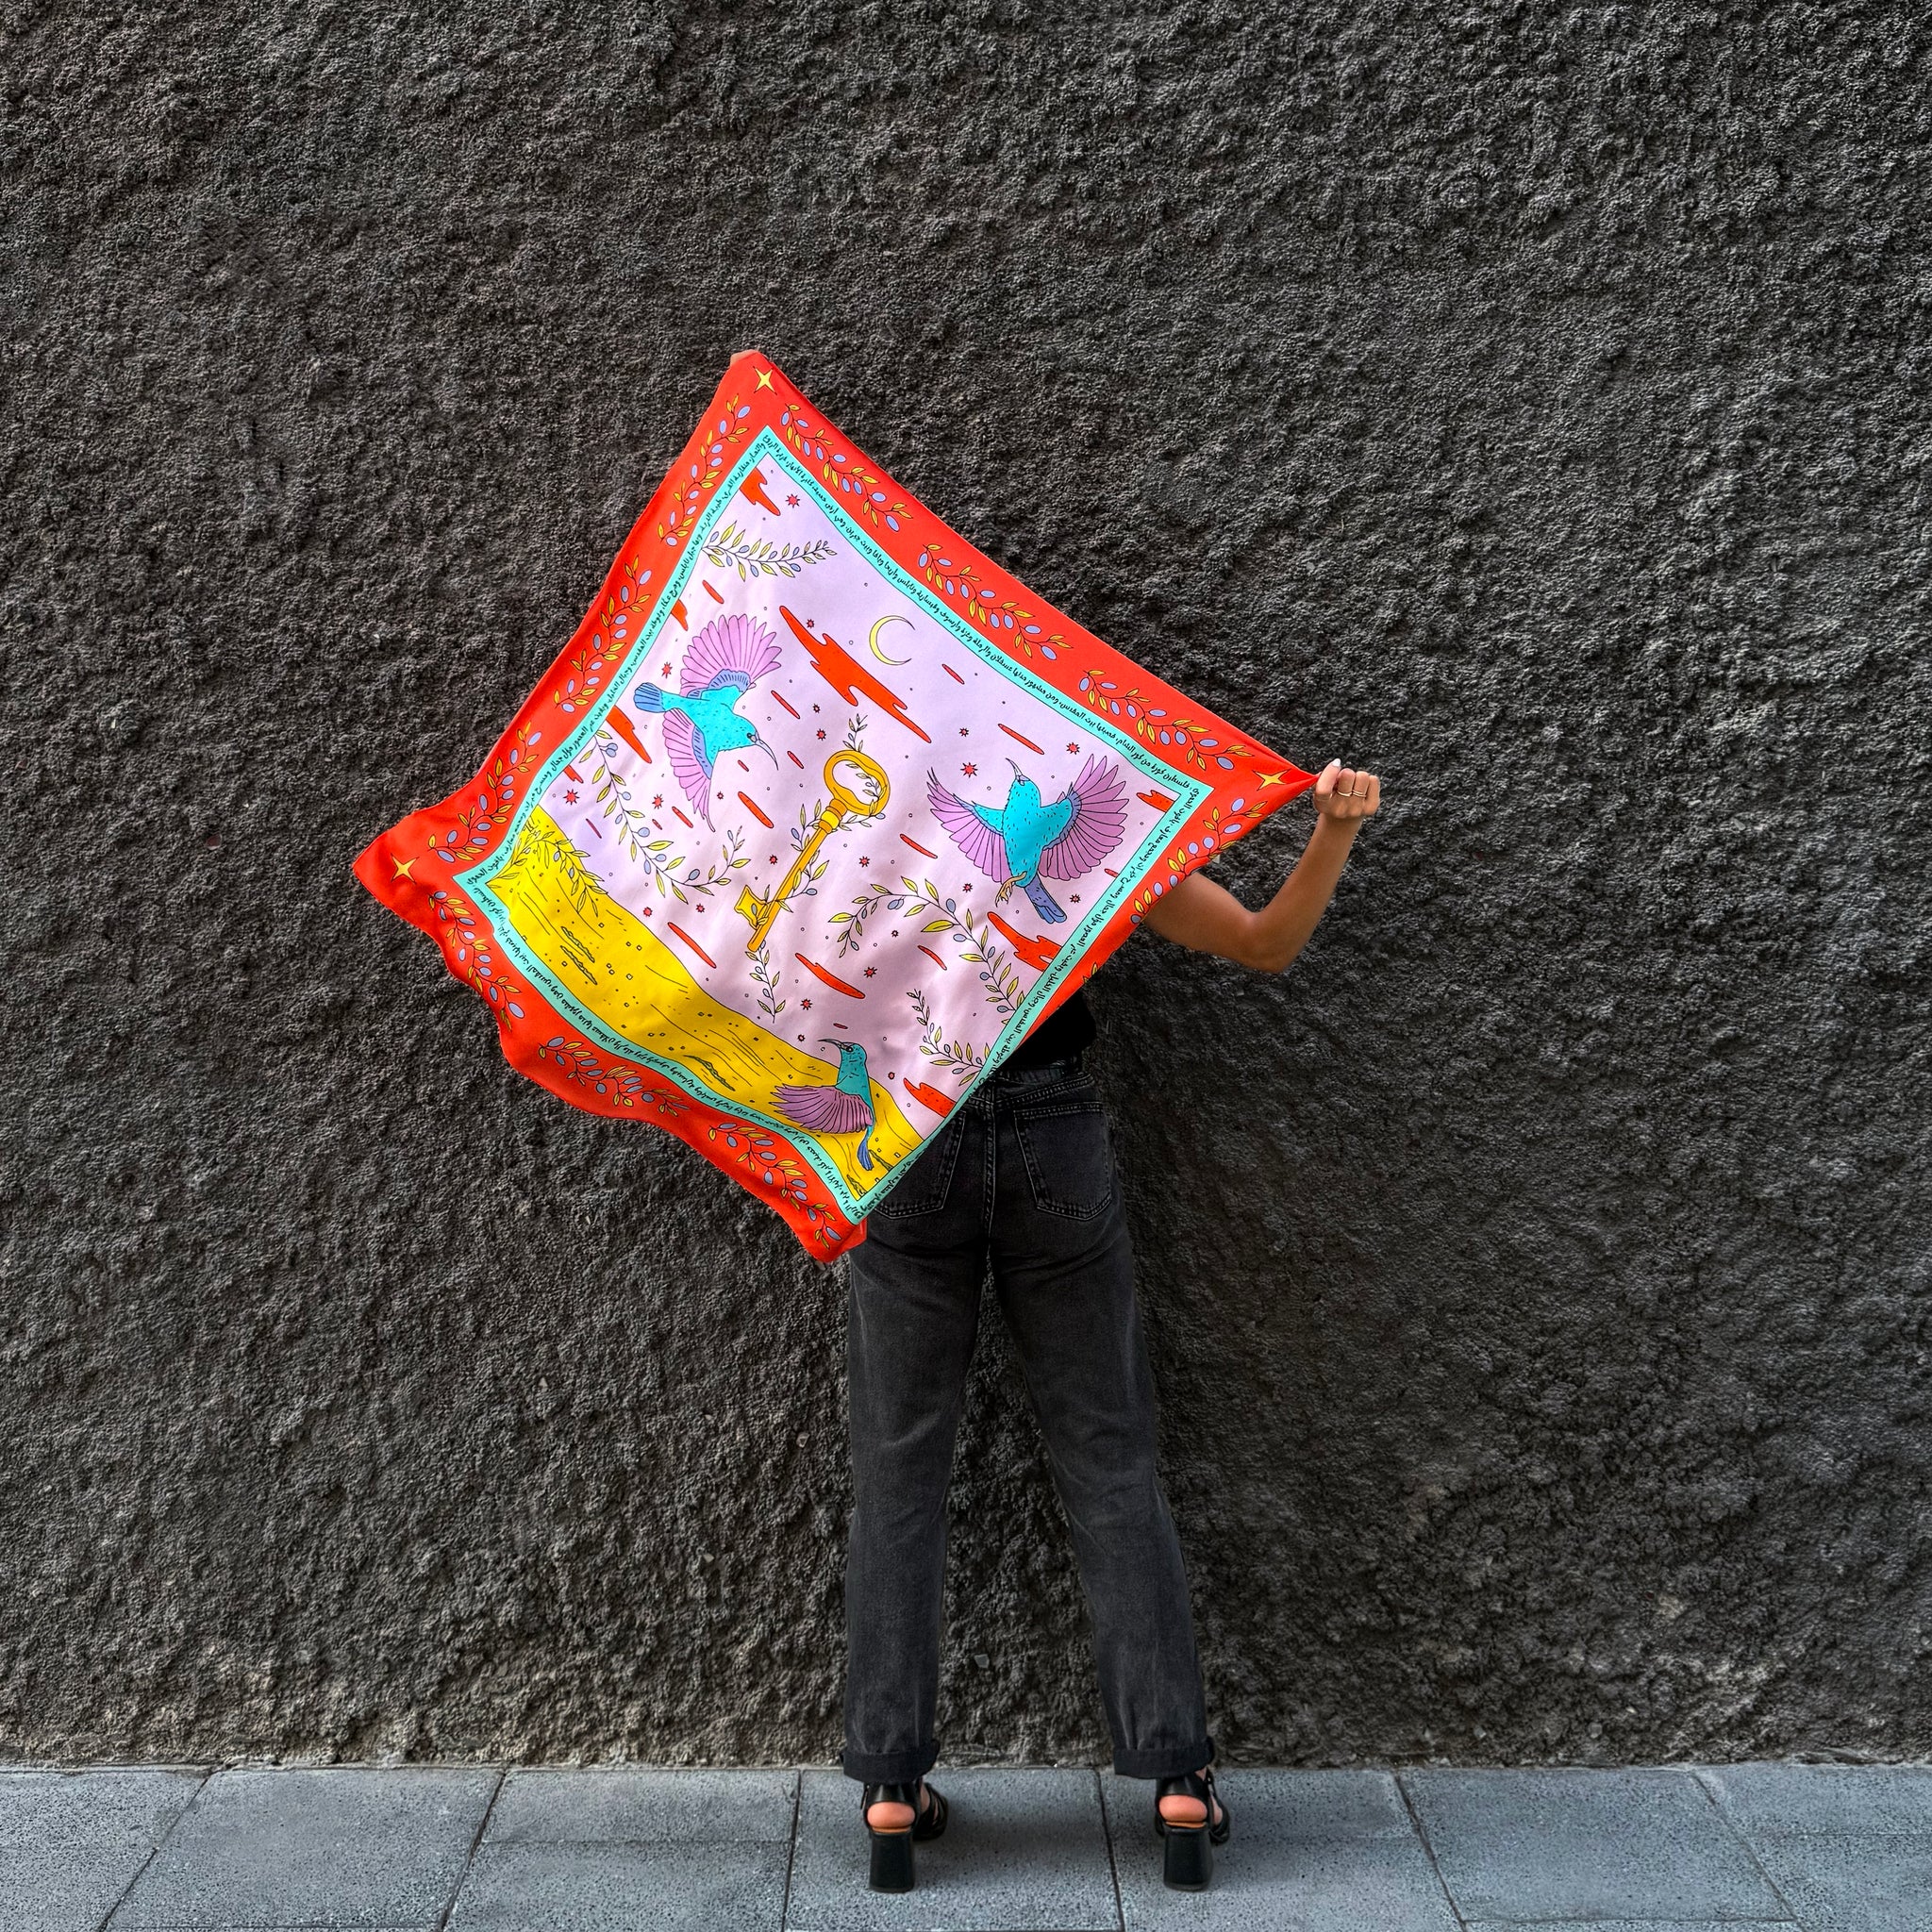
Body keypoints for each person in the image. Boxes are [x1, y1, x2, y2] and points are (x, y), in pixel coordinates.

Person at [844, 756, 1383, 1893]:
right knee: (1107, 1454)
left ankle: (890, 1783)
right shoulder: (1093, 829)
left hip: (904, 1135)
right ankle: (1177, 1773)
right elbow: (1260, 942)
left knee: (898, 1465)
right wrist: (1332, 829)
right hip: (1054, 1133)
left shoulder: (864, 823)